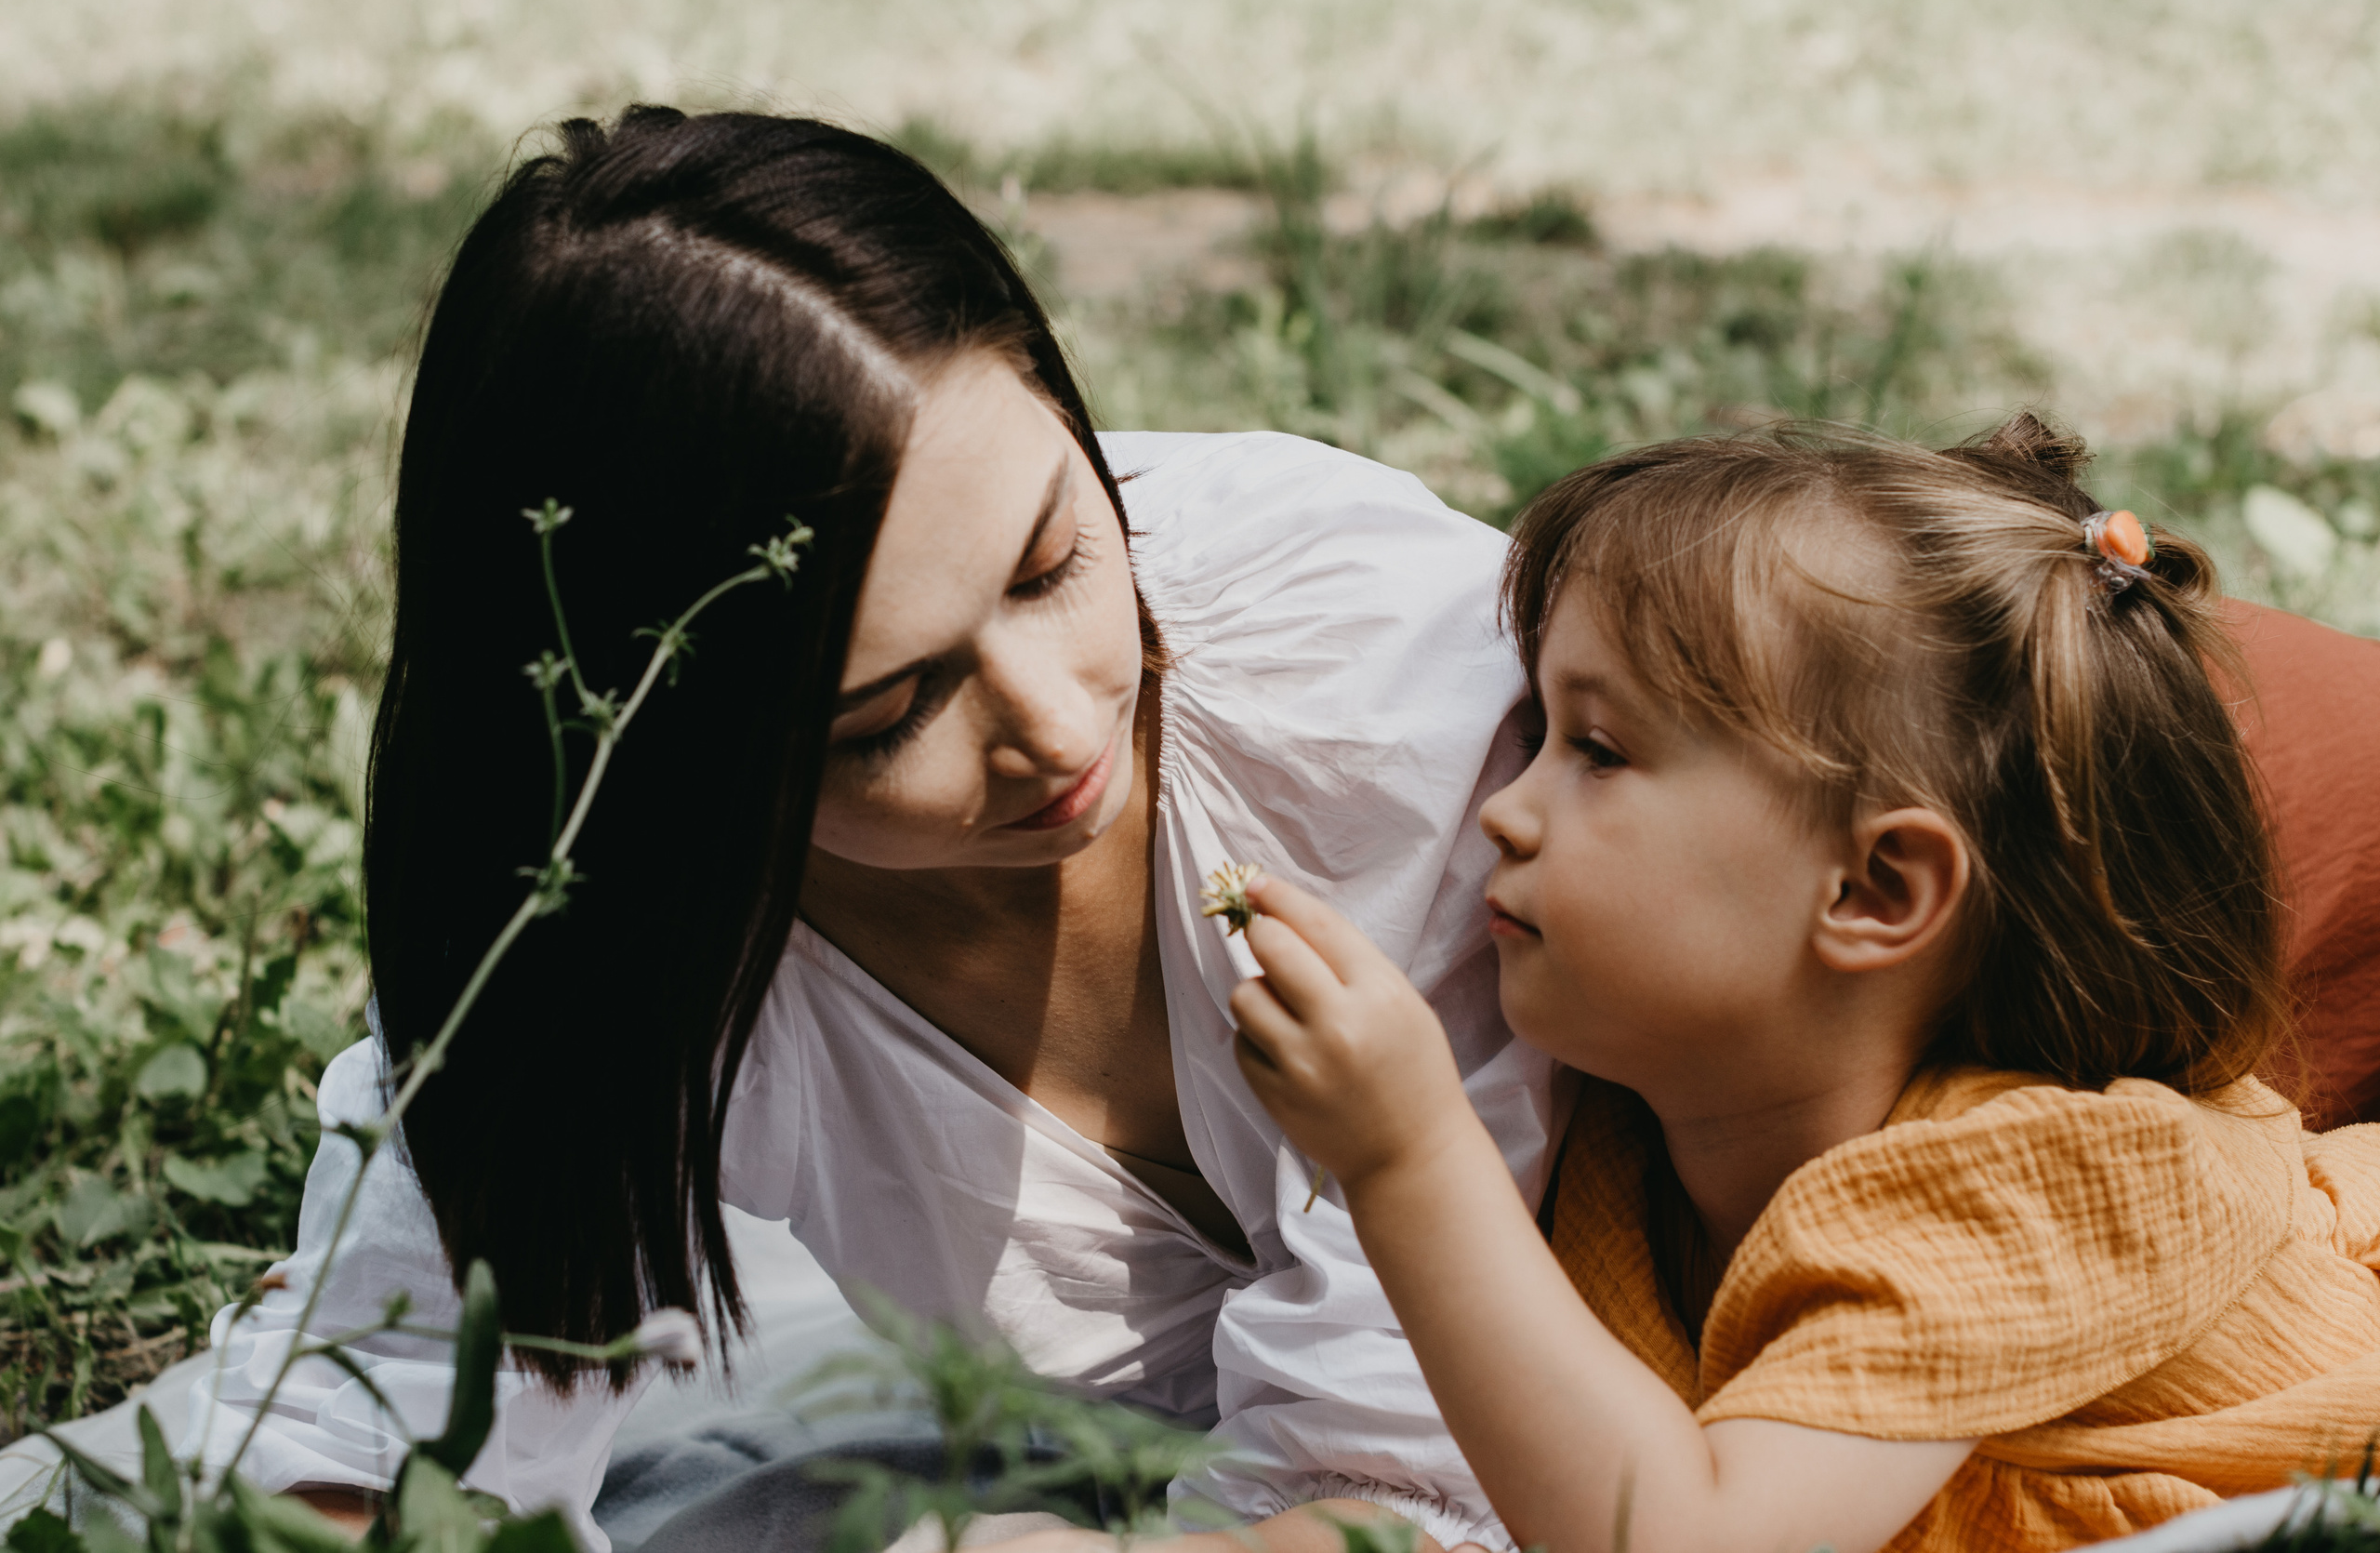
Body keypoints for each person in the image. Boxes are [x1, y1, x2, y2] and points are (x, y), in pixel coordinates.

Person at [184, 108, 1555, 1552]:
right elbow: (380, 1415)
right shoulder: (606, 924)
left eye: (1052, 561)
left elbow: (1444, 1472)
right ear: (657, 762)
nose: (1056, 725)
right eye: (888, 713)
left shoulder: (1380, 685)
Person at [1222, 417, 2380, 1553]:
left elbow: (1681, 1541)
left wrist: (1408, 1155)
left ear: (1874, 890)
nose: (1504, 812)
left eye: (1598, 752)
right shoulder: (1622, 1142)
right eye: (1538, 740)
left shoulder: (2039, 1183)